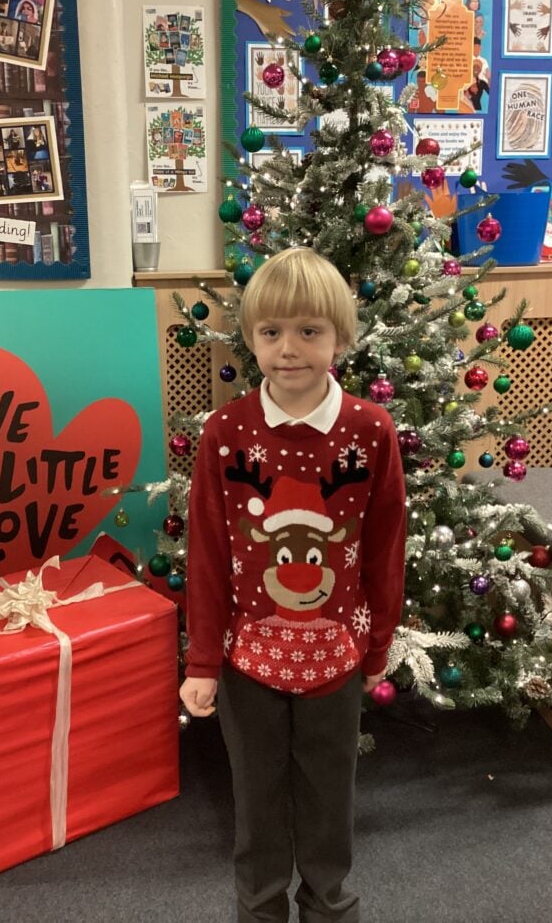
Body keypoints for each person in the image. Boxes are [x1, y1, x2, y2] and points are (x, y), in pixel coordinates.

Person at [179, 246, 407, 923]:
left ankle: (329, 906)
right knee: (255, 796)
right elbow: (209, 555)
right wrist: (201, 660)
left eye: (310, 331)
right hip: (246, 659)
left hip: (337, 659)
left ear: (340, 336)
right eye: (271, 331)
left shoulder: (370, 431)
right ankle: (259, 908)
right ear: (251, 338)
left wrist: (378, 645)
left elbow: (385, 547)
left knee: (329, 793)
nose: (289, 349)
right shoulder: (226, 433)